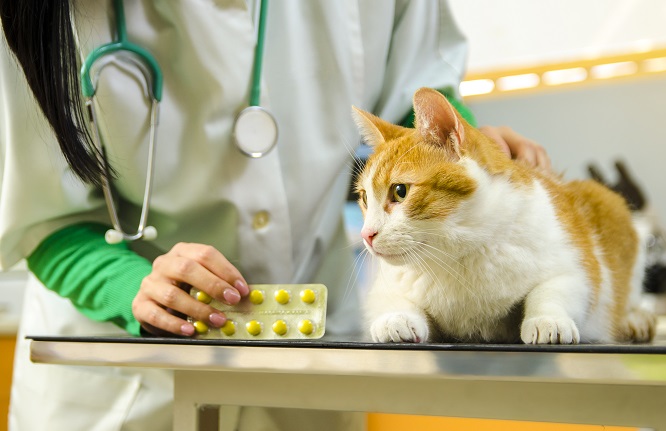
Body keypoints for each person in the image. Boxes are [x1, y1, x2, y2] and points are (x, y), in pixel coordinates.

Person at [0, 1, 548, 430]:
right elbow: (42, 218)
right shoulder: (42, 19)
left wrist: (473, 155)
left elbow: (419, 101)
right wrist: (134, 288)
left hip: (311, 365)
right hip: (124, 390)